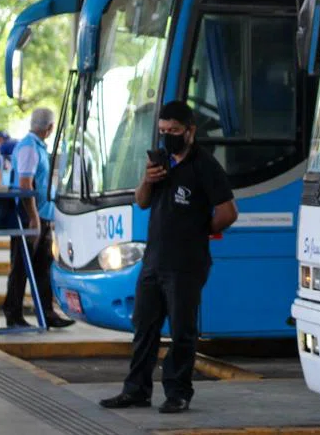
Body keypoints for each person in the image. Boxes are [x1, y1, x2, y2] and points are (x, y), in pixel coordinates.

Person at [100, 101, 237, 414]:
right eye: (163, 131)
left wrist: (199, 230)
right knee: (144, 328)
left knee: (181, 331)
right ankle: (136, 391)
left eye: (174, 131)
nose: (168, 136)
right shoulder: (159, 161)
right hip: (154, 261)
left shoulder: (205, 165)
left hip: (186, 264)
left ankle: (178, 393)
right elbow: (142, 202)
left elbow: (229, 212)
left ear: (190, 131)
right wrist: (148, 179)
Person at [3, 108, 75, 329]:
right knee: (21, 267)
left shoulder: (37, 147)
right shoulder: (29, 148)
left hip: (41, 216)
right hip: (29, 217)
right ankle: (13, 315)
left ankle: (47, 313)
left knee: (43, 266)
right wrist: (34, 219)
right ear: (50, 127)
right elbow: (25, 185)